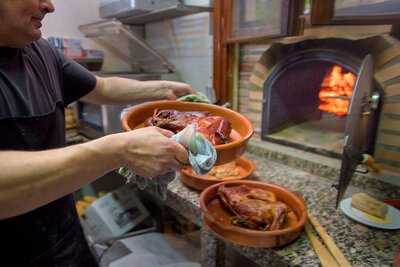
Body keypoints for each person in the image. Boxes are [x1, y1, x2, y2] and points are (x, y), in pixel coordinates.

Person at [0, 0, 193, 266]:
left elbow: (100, 87)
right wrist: (115, 151)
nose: (49, 6)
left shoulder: (39, 50)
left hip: (64, 235)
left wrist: (163, 90)